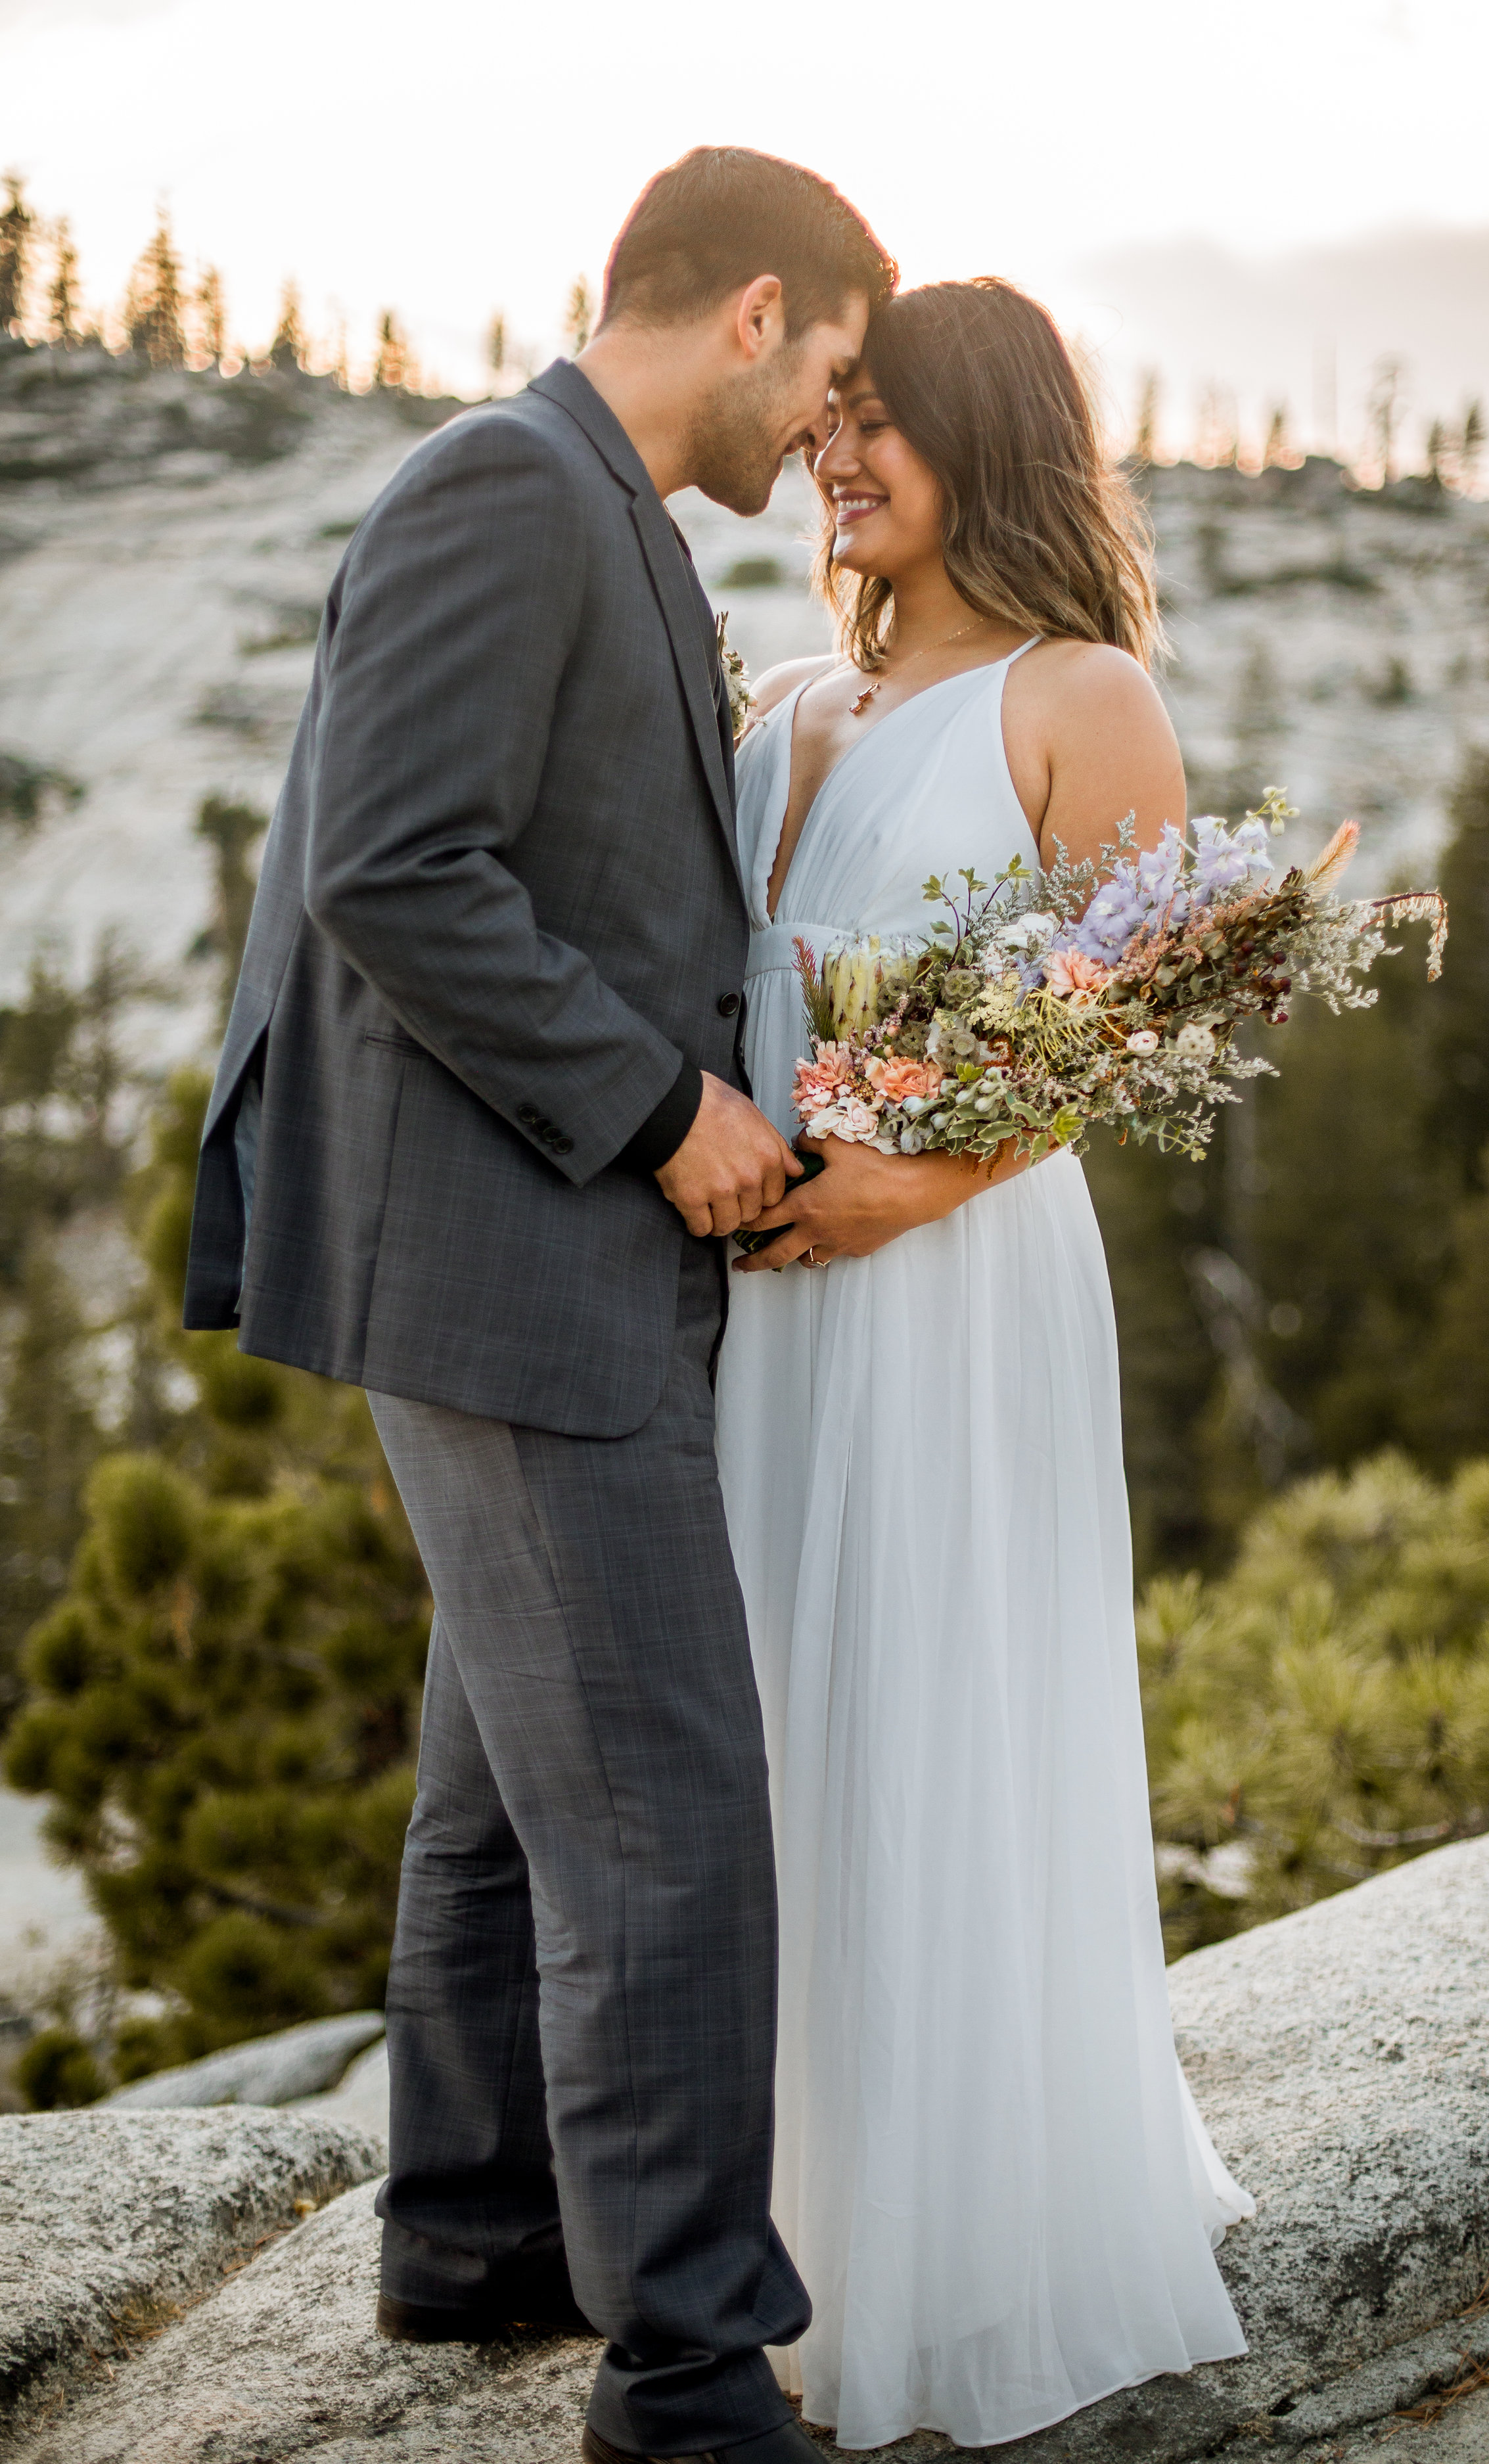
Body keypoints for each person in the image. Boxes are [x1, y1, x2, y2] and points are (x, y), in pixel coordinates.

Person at [181, 147, 894, 2464]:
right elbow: (395, 862)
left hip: (516, 1247)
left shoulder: (600, 513)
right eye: (834, 379)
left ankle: (472, 2237)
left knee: (503, 1786)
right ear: (757, 307)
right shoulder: (508, 485)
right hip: (505, 1247)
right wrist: (658, 1107)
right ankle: (686, 2378)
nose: (827, 431)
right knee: (670, 1810)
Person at [718, 277, 1255, 2452]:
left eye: (881, 426)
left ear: (986, 441)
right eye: (826, 421)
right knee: (763, 1726)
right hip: (752, 1291)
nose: (834, 459)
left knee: (936, 1708)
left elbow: (1128, 1024)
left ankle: (967, 2232)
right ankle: (764, 2222)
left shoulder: (1078, 691)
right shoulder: (775, 699)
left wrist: (906, 1192)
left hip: (950, 1287)